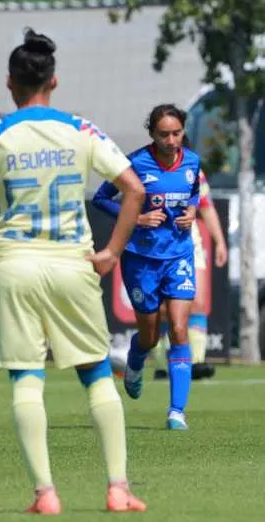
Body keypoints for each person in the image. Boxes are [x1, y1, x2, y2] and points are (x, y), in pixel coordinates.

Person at [0, 29, 147, 513]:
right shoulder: (81, 130)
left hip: (15, 267)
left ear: (11, 83)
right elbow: (133, 189)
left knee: (27, 378)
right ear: (54, 80)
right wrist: (112, 251)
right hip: (73, 263)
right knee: (96, 375)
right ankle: (117, 488)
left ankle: (45, 494)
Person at [93, 104, 201, 431]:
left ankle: (176, 412)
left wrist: (192, 212)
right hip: (141, 258)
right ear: (152, 134)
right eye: (164, 134)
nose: (171, 140)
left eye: (176, 133)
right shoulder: (135, 163)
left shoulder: (193, 162)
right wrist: (137, 219)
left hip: (179, 255)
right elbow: (101, 197)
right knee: (150, 336)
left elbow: (194, 194)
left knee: (180, 330)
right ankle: (136, 362)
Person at [151, 168, 227, 380]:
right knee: (164, 306)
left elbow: (206, 206)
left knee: (198, 301)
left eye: (177, 135)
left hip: (189, 242)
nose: (172, 141)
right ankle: (161, 366)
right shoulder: (147, 167)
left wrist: (219, 241)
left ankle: (196, 363)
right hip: (158, 243)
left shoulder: (194, 170)